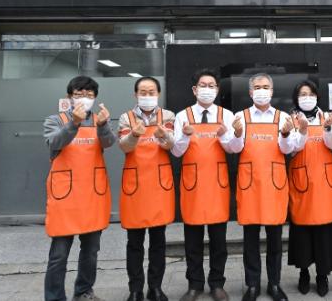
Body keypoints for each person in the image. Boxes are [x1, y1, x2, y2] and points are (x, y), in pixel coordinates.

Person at [43, 76, 116, 301]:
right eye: (79, 94)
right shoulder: (55, 120)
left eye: (89, 94)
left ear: (95, 97)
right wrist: (73, 123)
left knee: (91, 252)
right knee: (59, 254)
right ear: (70, 97)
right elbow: (54, 142)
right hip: (65, 197)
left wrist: (103, 125)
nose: (84, 98)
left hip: (93, 195)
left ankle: (84, 291)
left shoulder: (99, 119)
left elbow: (109, 143)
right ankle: (55, 297)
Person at [231, 73, 302, 301]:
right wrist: (237, 134)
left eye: (265, 87)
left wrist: (285, 134)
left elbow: (288, 149)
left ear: (271, 91)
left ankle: (274, 283)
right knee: (250, 240)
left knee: (275, 240)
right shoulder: (240, 117)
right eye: (257, 87)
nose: (261, 90)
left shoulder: (283, 118)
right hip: (250, 184)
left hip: (274, 185)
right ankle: (252, 285)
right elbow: (234, 148)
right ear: (250, 92)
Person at [172, 69, 239, 301]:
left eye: (211, 86)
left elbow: (234, 148)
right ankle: (195, 284)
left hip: (217, 185)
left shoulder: (226, 115)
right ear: (194, 90)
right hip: (193, 185)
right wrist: (184, 136)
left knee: (219, 241)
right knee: (193, 241)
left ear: (217, 90)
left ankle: (217, 283)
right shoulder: (182, 116)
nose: (207, 89)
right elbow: (176, 151)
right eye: (203, 85)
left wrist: (225, 136)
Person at [118, 76, 176, 301]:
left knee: (158, 242)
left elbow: (171, 145)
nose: (147, 96)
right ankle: (135, 289)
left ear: (158, 94)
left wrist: (164, 136)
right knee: (134, 242)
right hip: (136, 186)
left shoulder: (167, 116)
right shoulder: (126, 117)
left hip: (159, 186)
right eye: (143, 92)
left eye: (151, 92)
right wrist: (134, 134)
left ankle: (155, 287)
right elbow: (124, 147)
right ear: (136, 95)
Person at [286, 81, 332, 297]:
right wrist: (301, 131)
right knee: (301, 229)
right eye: (302, 94)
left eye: (310, 93)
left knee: (324, 230)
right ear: (296, 97)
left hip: (324, 181)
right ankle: (303, 273)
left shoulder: (326, 117)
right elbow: (291, 147)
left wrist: (328, 128)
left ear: (317, 96)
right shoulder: (289, 119)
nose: (307, 97)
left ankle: (322, 274)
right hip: (301, 180)